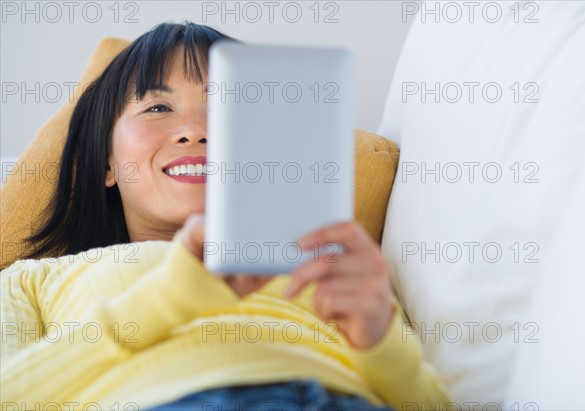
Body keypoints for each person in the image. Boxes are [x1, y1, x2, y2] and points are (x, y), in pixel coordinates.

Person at [0, 22, 451, 411]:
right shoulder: (32, 279)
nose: (195, 130)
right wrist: (165, 300)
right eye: (157, 107)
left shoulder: (334, 267)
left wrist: (380, 342)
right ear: (107, 164)